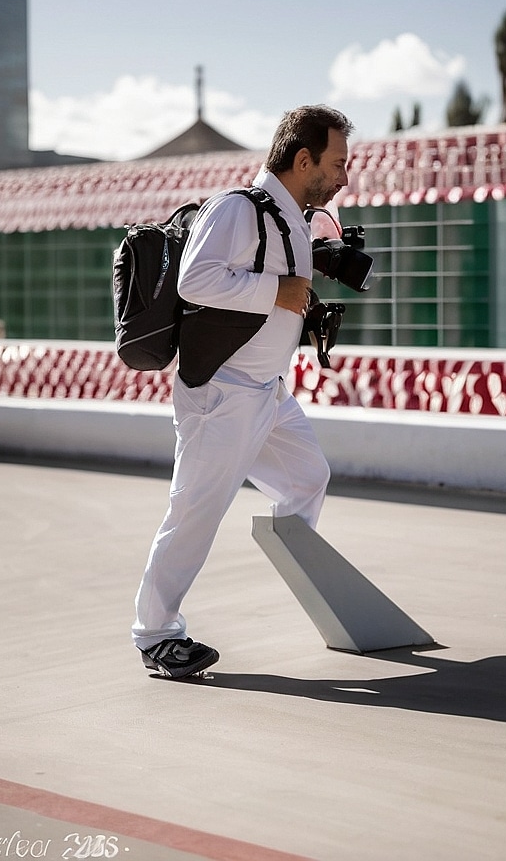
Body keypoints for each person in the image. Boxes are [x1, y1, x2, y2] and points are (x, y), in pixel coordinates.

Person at [132, 104, 354, 678]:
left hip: (267, 394)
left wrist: (305, 295)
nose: (344, 176)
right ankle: (156, 634)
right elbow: (196, 279)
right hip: (223, 394)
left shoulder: (294, 220)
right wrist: (277, 291)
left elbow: (275, 289)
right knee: (194, 513)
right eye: (337, 163)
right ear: (302, 160)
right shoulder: (237, 208)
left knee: (308, 478)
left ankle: (304, 578)